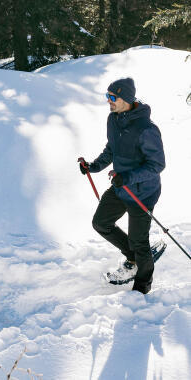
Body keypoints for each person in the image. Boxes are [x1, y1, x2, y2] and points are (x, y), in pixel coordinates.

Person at [79, 78, 165, 294]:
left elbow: (157, 164)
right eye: (107, 96)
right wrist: (93, 166)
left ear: (126, 99)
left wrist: (127, 177)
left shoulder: (146, 128)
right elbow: (112, 148)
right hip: (120, 187)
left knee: (139, 242)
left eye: (112, 97)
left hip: (142, 192)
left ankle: (142, 288)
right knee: (101, 223)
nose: (108, 102)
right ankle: (134, 257)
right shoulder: (113, 119)